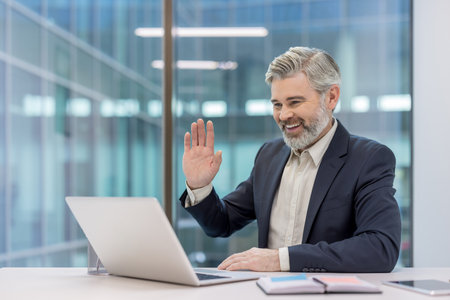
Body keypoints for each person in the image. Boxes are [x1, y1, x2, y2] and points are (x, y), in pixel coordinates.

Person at [179, 46, 401, 273]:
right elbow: (222, 223)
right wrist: (200, 185)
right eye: (277, 105)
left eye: (294, 102)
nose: (284, 115)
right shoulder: (269, 155)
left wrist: (279, 260)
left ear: (331, 97)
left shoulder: (368, 159)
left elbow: (380, 248)